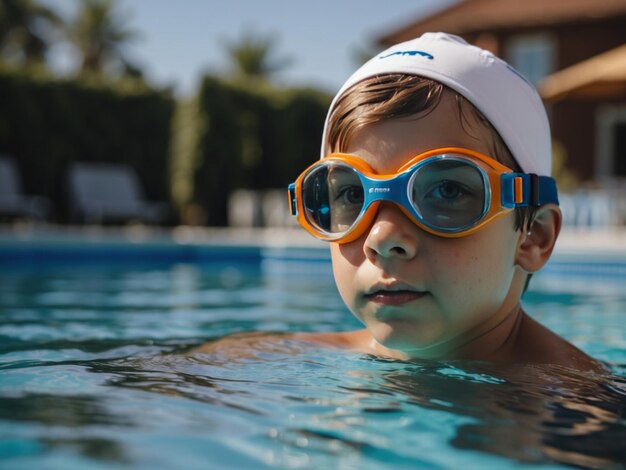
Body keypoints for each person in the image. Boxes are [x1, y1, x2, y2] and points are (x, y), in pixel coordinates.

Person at [283, 32, 600, 370]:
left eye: (447, 191)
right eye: (352, 194)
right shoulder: (273, 361)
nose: (382, 238)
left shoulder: (586, 413)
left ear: (534, 235)